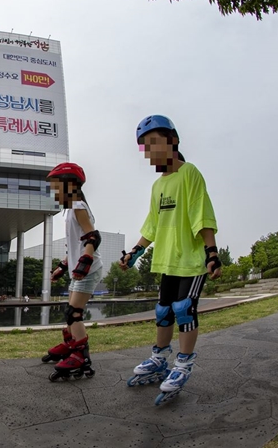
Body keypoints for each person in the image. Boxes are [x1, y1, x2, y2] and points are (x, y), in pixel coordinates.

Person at [120, 115, 222, 404]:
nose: (150, 151)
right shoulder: (157, 186)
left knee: (184, 309)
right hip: (167, 261)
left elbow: (202, 214)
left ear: (172, 141)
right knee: (163, 311)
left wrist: (211, 253)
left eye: (154, 143)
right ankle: (158, 358)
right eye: (145, 147)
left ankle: (183, 364)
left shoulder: (189, 173)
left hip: (191, 260)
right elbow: (151, 226)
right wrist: (134, 253)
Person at [44, 162, 103, 381]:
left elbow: (92, 237)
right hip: (79, 270)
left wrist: (85, 261)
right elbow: (76, 246)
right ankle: (71, 346)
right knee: (69, 312)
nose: (54, 192)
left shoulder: (78, 206)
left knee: (73, 313)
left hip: (89, 270)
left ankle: (81, 356)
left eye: (56, 187)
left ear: (70, 185)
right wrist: (63, 266)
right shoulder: (70, 210)